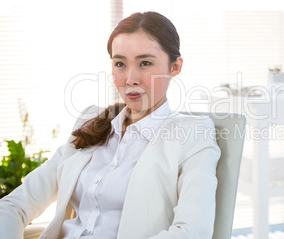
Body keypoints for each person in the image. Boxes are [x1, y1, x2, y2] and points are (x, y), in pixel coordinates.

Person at [0, 12, 221, 239]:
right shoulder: (92, 122)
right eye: (120, 64)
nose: (130, 79)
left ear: (175, 67)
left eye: (145, 63)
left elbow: (192, 232)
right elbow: (14, 205)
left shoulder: (191, 134)